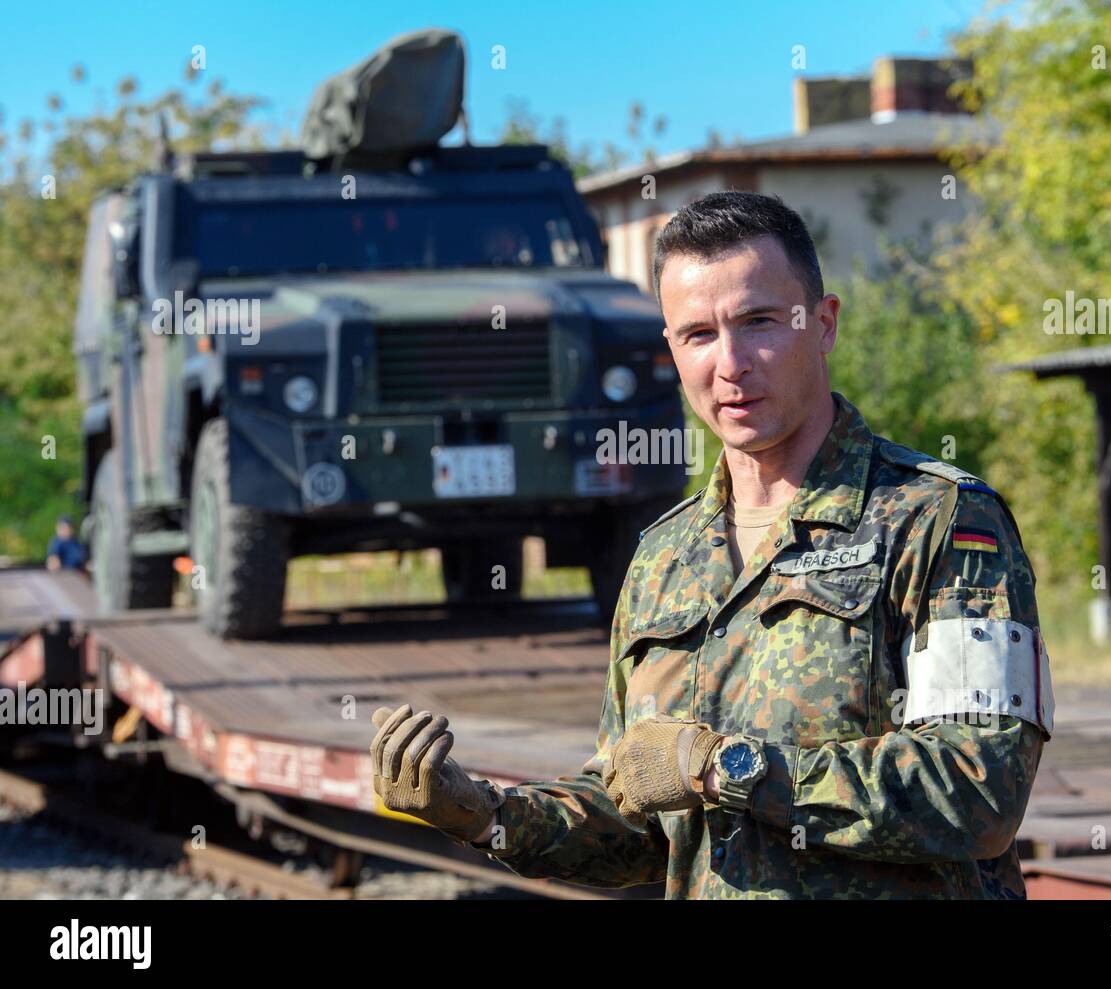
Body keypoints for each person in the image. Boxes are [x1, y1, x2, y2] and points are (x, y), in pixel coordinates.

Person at [371, 191, 1054, 899]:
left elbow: (980, 790)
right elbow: (635, 822)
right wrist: (485, 816)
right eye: (699, 333)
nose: (730, 363)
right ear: (671, 351)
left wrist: (719, 766)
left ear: (823, 324)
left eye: (759, 322)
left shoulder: (937, 519)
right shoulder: (663, 558)